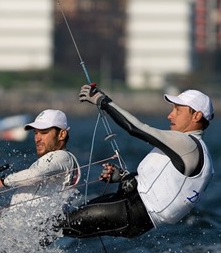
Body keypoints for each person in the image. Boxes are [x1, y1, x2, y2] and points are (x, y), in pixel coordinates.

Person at [60, 85, 215, 238]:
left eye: (178, 110)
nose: (170, 115)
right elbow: (164, 184)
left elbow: (136, 128)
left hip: (130, 211)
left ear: (197, 116)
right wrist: (123, 176)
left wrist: (103, 101)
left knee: (56, 226)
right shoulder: (192, 149)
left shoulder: (188, 145)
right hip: (132, 211)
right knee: (60, 228)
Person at [0, 108, 80, 208]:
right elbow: (5, 217)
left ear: (62, 134)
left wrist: (2, 181)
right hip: (19, 222)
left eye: (44, 133)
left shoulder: (62, 156)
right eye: (35, 133)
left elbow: (36, 174)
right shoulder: (47, 164)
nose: (37, 138)